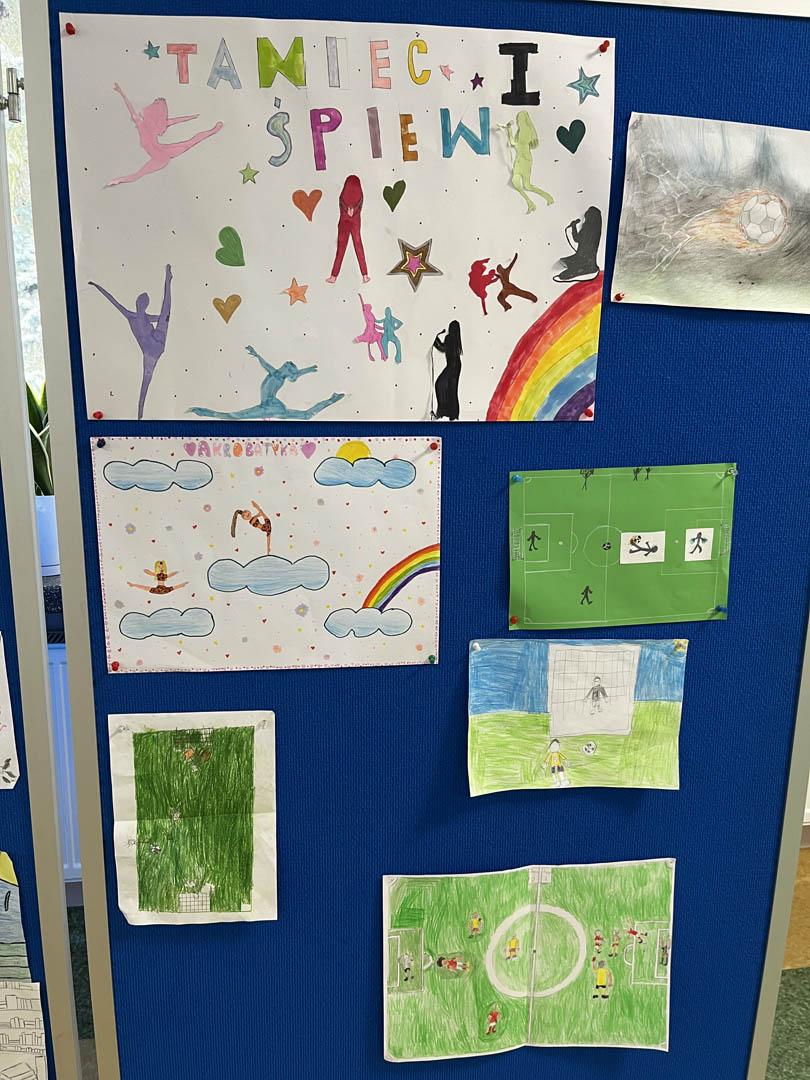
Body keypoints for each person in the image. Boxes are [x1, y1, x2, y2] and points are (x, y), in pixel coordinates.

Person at [89, 264, 172, 420]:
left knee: (166, 311)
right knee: (146, 381)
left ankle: (168, 280)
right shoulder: (130, 316)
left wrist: (164, 319)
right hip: (150, 351)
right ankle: (140, 413)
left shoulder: (146, 317)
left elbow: (162, 316)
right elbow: (113, 301)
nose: (143, 304)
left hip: (157, 340)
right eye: (142, 301)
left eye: (145, 302)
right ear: (138, 303)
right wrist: (97, 286)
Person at [189, 345, 344, 420]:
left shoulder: (277, 375)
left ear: (286, 370)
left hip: (269, 407)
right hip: (271, 406)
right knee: (305, 416)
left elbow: (266, 365)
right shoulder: (279, 375)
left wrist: (257, 355)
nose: (287, 362)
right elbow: (294, 374)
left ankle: (205, 412)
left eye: (288, 365)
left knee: (235, 416)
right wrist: (307, 370)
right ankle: (331, 400)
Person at [108, 85, 222, 186]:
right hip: (160, 158)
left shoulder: (153, 125)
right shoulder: (141, 123)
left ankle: (213, 130)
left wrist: (191, 117)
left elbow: (176, 120)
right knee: (139, 173)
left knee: (190, 142)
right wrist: (121, 92)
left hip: (163, 152)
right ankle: (118, 180)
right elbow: (130, 107)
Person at [502, 112, 553, 213]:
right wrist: (509, 129)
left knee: (527, 185)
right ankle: (531, 203)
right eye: (517, 120)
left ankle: (547, 197)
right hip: (519, 160)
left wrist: (510, 131)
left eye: (519, 119)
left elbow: (517, 144)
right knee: (516, 182)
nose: (517, 121)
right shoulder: (520, 131)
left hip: (525, 160)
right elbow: (513, 142)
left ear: (523, 120)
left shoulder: (527, 131)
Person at [327, 175, 369, 283]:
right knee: (357, 247)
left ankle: (334, 276)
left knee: (341, 250)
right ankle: (364, 275)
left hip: (345, 223)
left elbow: (344, 204)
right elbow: (356, 206)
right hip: (351, 223)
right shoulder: (358, 197)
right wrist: (352, 210)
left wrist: (348, 210)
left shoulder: (343, 197)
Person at [553, 206, 602, 284]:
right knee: (564, 262)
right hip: (582, 257)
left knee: (565, 273)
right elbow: (577, 239)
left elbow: (576, 239)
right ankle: (584, 267)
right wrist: (574, 226)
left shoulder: (588, 228)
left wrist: (573, 226)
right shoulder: (594, 229)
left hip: (584, 260)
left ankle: (587, 268)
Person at [432, 321, 463, 421]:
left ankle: (444, 411)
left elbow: (442, 347)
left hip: (452, 366)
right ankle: (453, 415)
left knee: (440, 384)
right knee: (452, 390)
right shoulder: (456, 339)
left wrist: (434, 338)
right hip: (457, 366)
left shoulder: (449, 338)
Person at [352, 294, 386, 361]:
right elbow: (362, 305)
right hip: (369, 329)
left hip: (373, 329)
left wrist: (381, 328)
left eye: (369, 307)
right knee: (365, 338)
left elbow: (374, 324)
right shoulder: (365, 313)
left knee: (379, 338)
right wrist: (360, 297)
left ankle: (383, 355)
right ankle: (355, 341)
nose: (369, 308)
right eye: (368, 307)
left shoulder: (371, 313)